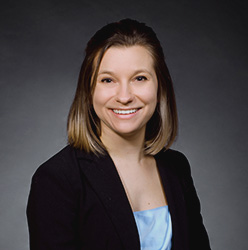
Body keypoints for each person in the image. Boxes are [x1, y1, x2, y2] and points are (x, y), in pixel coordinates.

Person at [27, 19, 211, 250]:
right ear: (89, 89)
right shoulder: (56, 179)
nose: (124, 96)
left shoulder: (177, 168)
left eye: (140, 78)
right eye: (108, 80)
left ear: (159, 86)